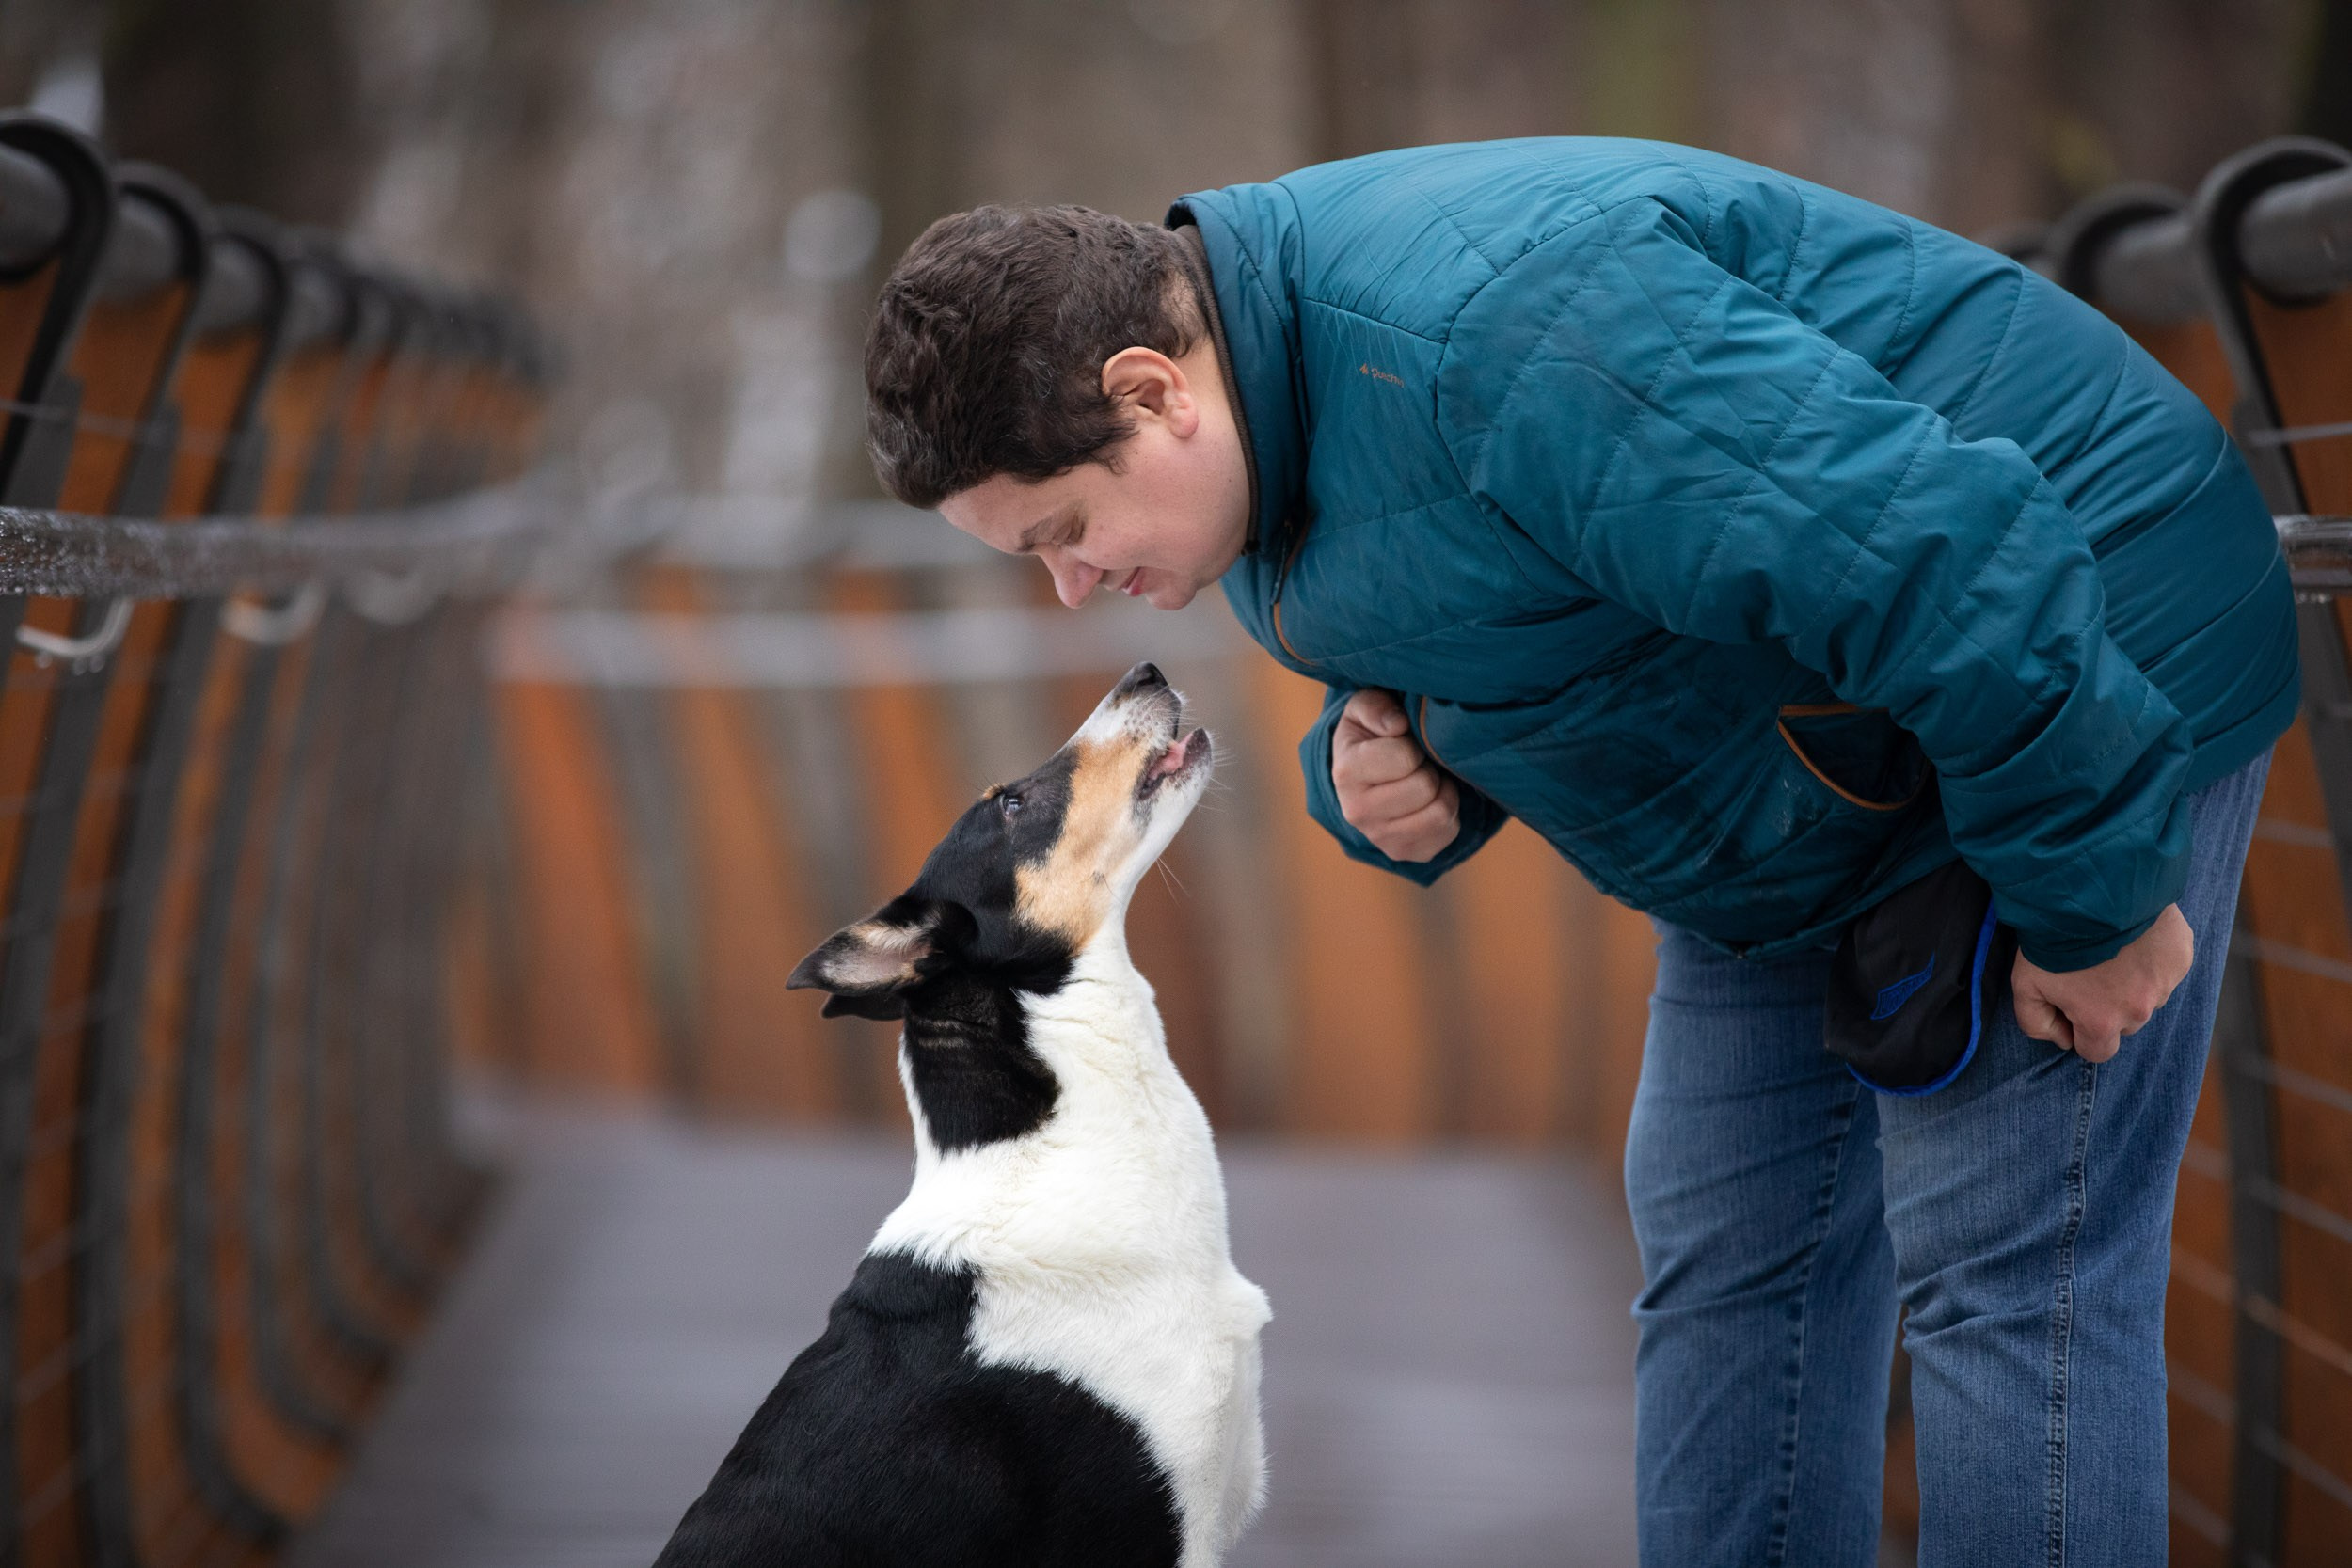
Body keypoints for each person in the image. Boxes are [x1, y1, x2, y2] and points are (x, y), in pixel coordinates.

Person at [860, 138, 2297, 1568]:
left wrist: (2092, 895)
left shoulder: (1505, 334)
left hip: (2073, 666)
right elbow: (1516, 593)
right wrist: (1387, 769)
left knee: (2007, 1281)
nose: (1067, 589)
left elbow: (1940, 551)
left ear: (1149, 390)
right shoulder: (1260, 428)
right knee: (1729, 1266)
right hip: (1804, 767)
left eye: (1064, 530)